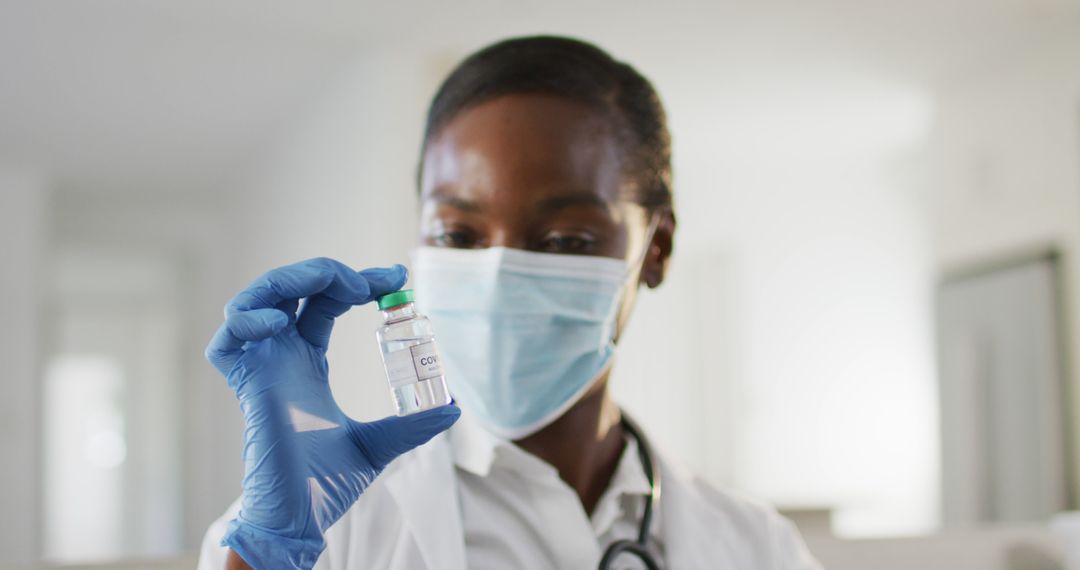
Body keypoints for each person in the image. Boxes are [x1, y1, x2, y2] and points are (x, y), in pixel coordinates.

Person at [198, 35, 822, 570]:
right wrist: (269, 554)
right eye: (458, 236)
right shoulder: (320, 533)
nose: (498, 273)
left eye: (564, 239)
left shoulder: (754, 546)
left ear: (655, 249)